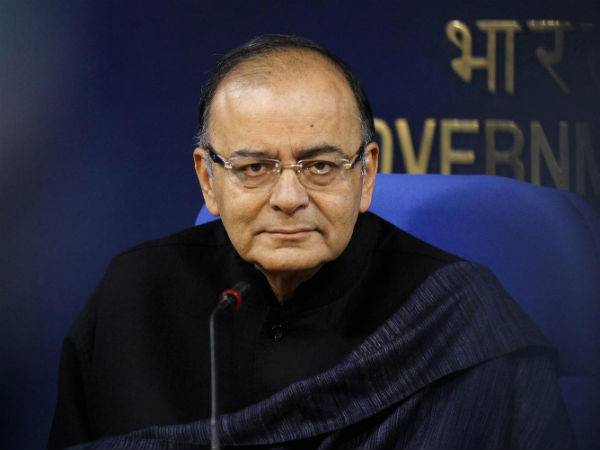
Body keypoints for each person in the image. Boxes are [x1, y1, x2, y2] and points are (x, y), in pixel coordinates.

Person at [48, 35, 576, 450]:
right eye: (254, 168)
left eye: (320, 166)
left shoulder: (459, 320)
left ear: (366, 174)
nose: (288, 198)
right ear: (209, 180)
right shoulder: (131, 298)